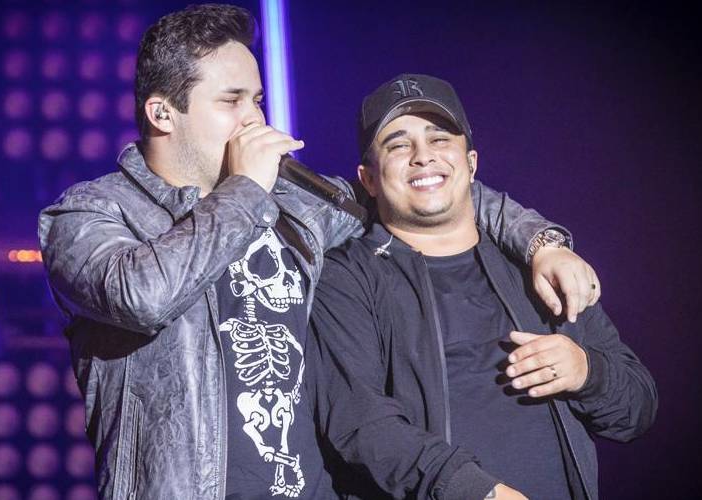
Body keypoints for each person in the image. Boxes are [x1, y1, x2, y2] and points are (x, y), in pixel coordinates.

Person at [38, 5, 600, 498]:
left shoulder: (294, 204)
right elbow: (141, 296)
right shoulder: (90, 215)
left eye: (257, 100)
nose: (254, 119)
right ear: (162, 113)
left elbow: (418, 189)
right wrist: (245, 190)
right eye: (231, 101)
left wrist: (541, 242)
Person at [309, 73, 658, 500]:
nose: (423, 156)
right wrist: (477, 491)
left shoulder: (540, 268)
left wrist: (587, 371)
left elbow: (637, 409)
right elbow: (359, 423)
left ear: (471, 163)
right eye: (398, 145)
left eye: (439, 139)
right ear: (368, 179)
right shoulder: (346, 279)